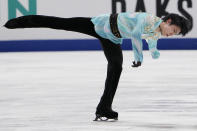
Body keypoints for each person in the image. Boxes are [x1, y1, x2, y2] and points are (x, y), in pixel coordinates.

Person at [4, 12, 192, 121]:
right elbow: (135, 34)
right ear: (168, 21)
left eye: (175, 35)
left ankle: (104, 108)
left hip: (112, 38)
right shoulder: (150, 19)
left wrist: (155, 52)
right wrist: (138, 57)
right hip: (99, 25)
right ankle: (21, 21)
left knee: (116, 66)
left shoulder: (157, 31)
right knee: (62, 23)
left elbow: (152, 41)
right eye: (173, 31)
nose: (171, 35)